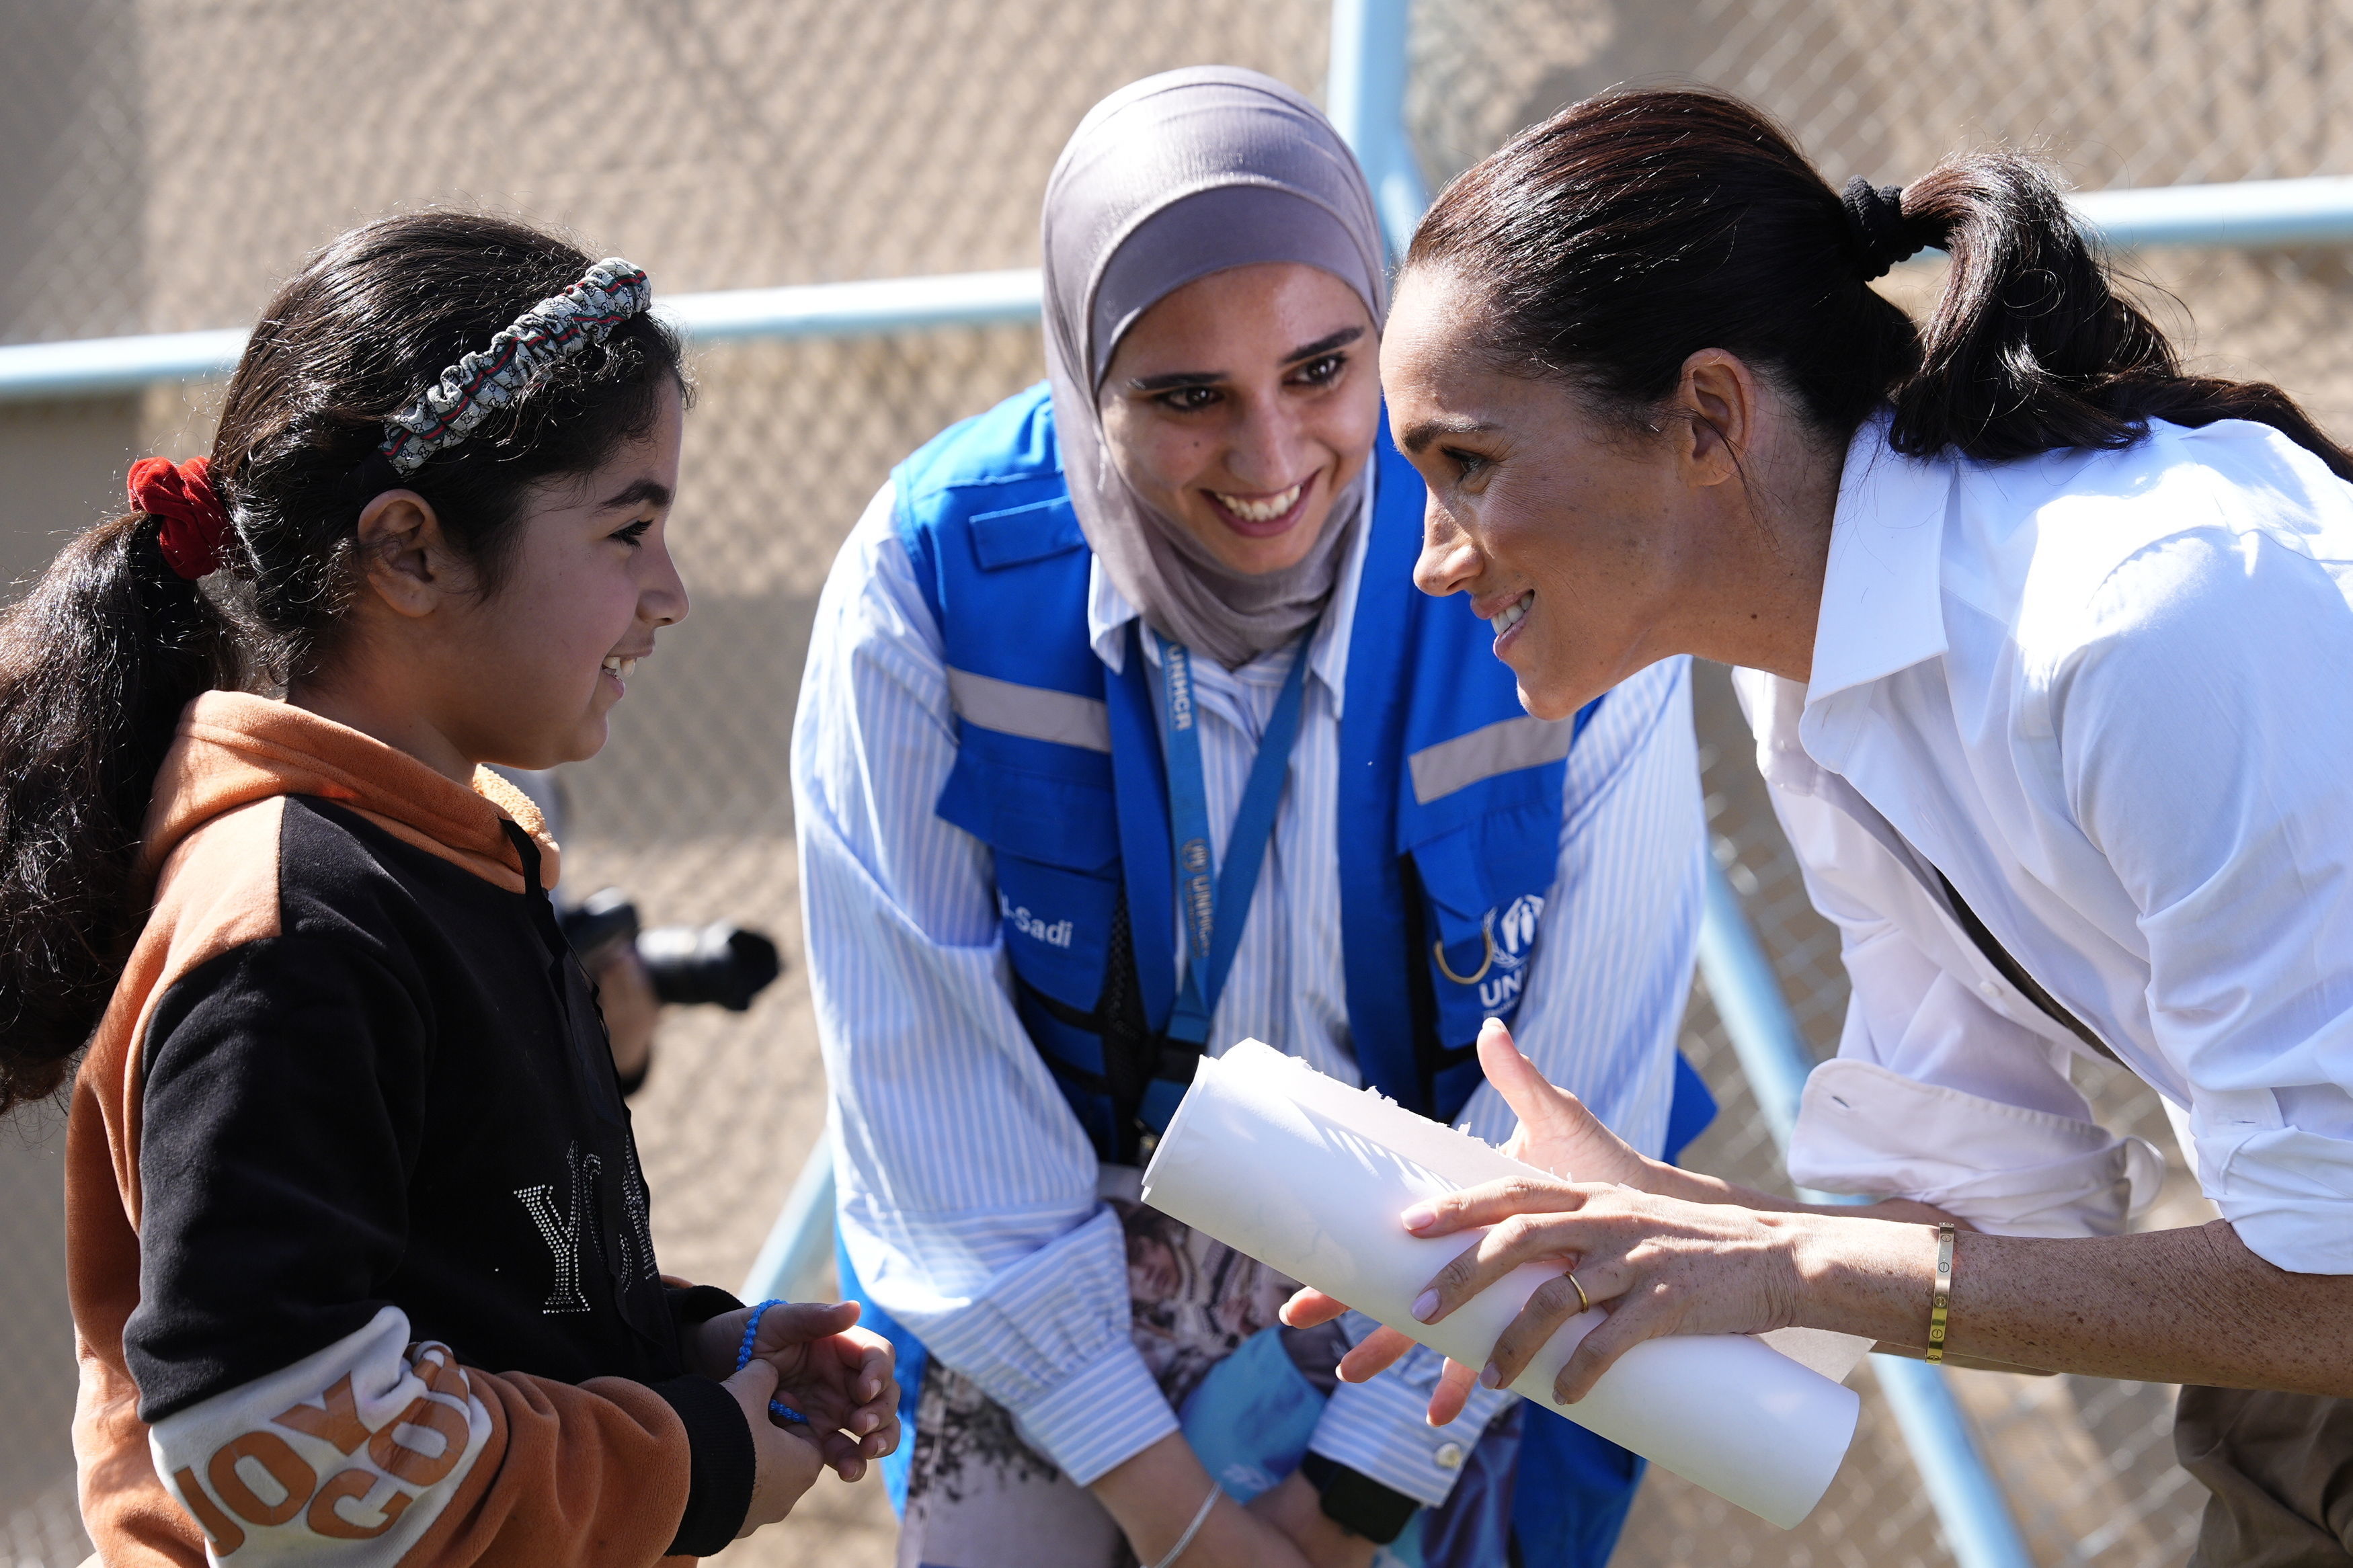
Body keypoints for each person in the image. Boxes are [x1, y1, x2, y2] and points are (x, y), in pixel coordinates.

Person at [1294, 86, 2353, 1565]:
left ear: (1708, 418)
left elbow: (2331, 1280)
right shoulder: (1811, 678)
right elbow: (1994, 1227)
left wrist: (1783, 1262)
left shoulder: (2143, 619)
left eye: (1464, 463)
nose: (1429, 560)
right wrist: (1649, 1236)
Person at [793, 69, 1711, 1568]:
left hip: (1435, 1280)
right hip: (1053, 1274)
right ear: (1084, 373)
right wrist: (1185, 1518)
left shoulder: (1550, 551)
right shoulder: (929, 577)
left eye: (1320, 369)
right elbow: (931, 1103)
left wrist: (1344, 1499)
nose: (1271, 461)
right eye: (1182, 396)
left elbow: (1572, 1102)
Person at [0, 212, 900, 1567]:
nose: (671, 594)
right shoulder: (289, 923)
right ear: (411, 550)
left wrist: (694, 1351)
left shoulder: (440, 857)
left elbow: (467, 1292)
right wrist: (696, 1461)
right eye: (626, 528)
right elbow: (278, 1437)